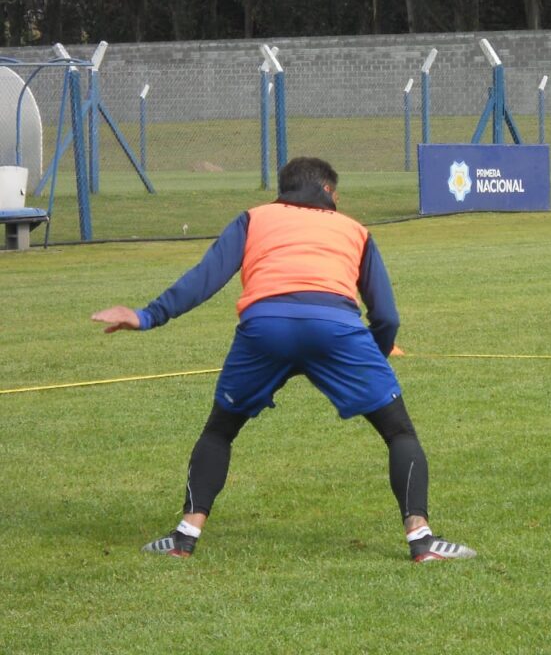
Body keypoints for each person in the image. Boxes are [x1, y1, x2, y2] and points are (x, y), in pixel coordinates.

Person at [91, 157, 475, 563]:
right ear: (328, 191)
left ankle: (185, 538)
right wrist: (375, 356)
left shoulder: (254, 219)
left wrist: (147, 316)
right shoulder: (355, 230)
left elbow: (206, 277)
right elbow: (387, 316)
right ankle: (421, 541)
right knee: (398, 432)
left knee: (220, 431)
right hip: (335, 330)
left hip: (265, 328)